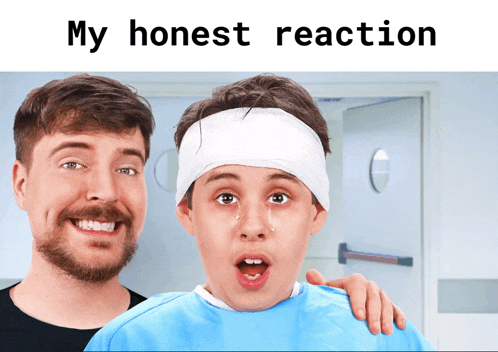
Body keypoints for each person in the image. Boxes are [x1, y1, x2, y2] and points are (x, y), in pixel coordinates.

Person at [0, 74, 404, 352]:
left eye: (126, 168)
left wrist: (345, 318)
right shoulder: (134, 339)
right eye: (73, 163)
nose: (104, 191)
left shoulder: (370, 330)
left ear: (317, 212)